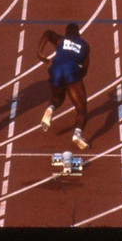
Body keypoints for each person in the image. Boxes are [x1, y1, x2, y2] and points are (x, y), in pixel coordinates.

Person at [36, 22, 91, 150]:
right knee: (81, 108)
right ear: (78, 34)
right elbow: (85, 68)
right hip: (71, 71)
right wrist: (75, 79)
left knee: (58, 98)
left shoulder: (61, 39)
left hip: (55, 69)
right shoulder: (85, 45)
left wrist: (40, 52)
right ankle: (78, 133)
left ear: (66, 33)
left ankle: (51, 108)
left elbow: (48, 33)